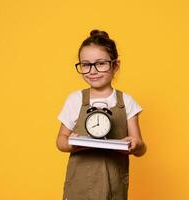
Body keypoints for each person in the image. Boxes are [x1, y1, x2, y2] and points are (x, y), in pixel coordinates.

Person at [56, 29, 147, 200]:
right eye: (86, 64)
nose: (92, 70)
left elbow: (141, 147)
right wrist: (72, 143)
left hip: (114, 188)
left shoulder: (126, 102)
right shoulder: (75, 100)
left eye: (101, 63)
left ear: (115, 65)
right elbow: (60, 140)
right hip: (79, 188)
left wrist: (135, 144)